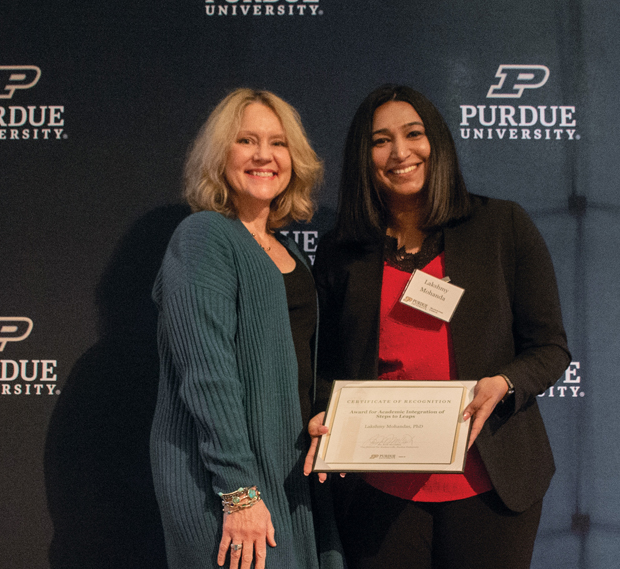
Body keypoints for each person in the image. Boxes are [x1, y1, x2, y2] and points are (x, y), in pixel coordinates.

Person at [307, 85, 571, 569]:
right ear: (363, 158)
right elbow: (325, 364)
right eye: (380, 140)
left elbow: (550, 347)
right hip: (379, 491)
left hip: (490, 484)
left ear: (439, 143)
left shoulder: (501, 225)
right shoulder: (341, 250)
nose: (400, 152)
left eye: (413, 134)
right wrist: (325, 411)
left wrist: (505, 383)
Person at [150, 88, 342, 569]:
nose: (264, 155)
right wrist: (238, 491)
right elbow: (206, 373)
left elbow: (295, 361)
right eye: (246, 141)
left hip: (289, 475)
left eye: (277, 143)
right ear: (220, 156)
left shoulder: (287, 251)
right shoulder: (204, 236)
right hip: (226, 484)